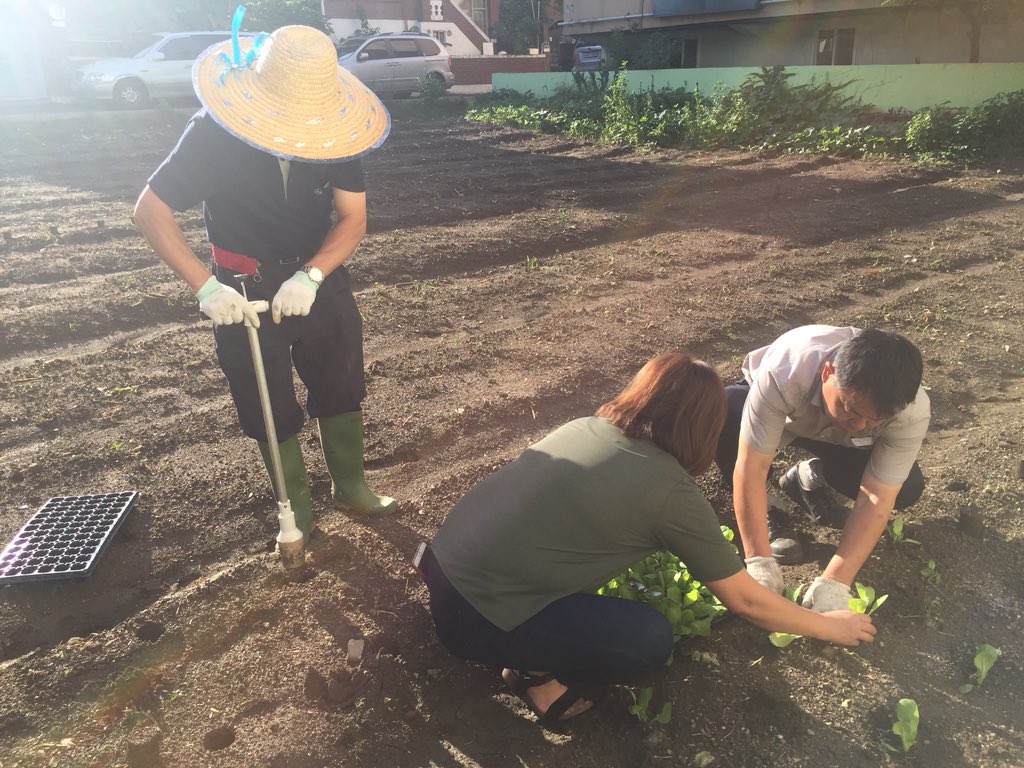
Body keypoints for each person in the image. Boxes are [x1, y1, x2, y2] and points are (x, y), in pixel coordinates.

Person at [419, 352, 876, 725]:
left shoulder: (585, 427)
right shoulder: (670, 493)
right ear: (706, 427)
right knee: (645, 642)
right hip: (473, 621)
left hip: (442, 567)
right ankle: (531, 670)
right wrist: (829, 625)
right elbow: (748, 602)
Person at [133, 20, 397, 542]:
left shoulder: (337, 135)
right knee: (266, 401)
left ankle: (351, 486)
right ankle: (294, 508)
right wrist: (206, 287)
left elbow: (352, 218)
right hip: (245, 287)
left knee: (341, 379)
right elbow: (150, 210)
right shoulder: (212, 132)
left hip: (317, 278)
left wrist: (313, 273)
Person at [715, 325, 929, 612]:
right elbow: (751, 464)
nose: (860, 423)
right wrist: (758, 561)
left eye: (874, 419)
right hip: (786, 415)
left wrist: (836, 581)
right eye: (851, 408)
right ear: (827, 373)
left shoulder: (909, 413)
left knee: (906, 486)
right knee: (725, 410)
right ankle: (770, 504)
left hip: (844, 442)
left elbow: (877, 497)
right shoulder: (786, 371)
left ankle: (810, 478)